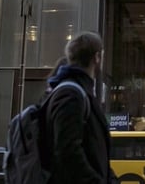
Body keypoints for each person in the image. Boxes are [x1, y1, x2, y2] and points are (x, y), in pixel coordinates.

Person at [41, 31, 115, 183]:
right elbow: (67, 152)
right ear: (97, 58)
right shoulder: (71, 94)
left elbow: (94, 153)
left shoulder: (78, 92)